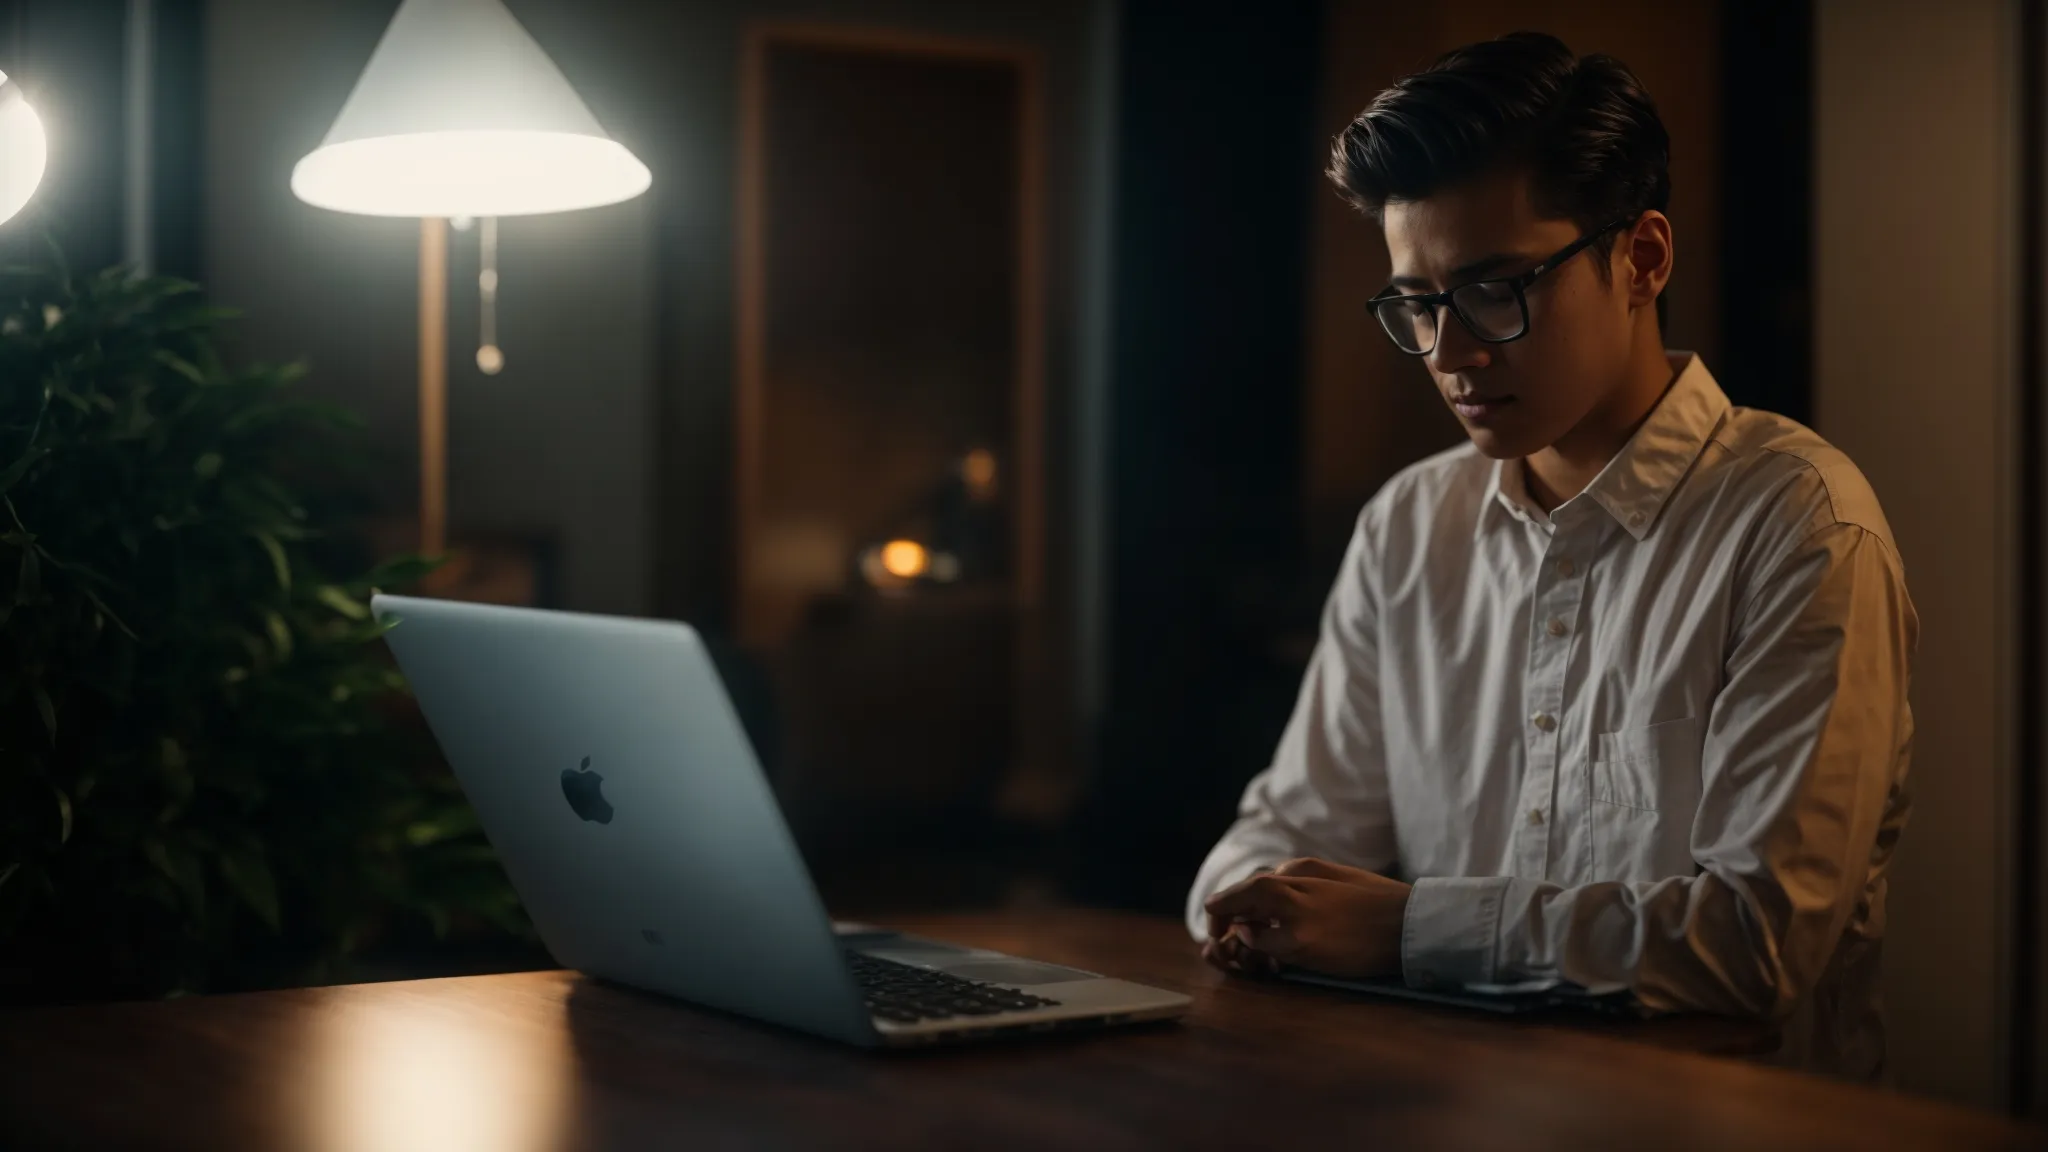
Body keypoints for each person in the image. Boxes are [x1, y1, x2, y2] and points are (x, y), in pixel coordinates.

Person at [1186, 31, 1915, 1080]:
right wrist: (1254, 904)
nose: (1450, 353)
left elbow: (1754, 942)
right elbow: (1280, 835)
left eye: (1494, 291)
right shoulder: (1408, 526)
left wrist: (1401, 930)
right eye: (1416, 304)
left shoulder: (1794, 523)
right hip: (1441, 1111)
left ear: (1642, 258)